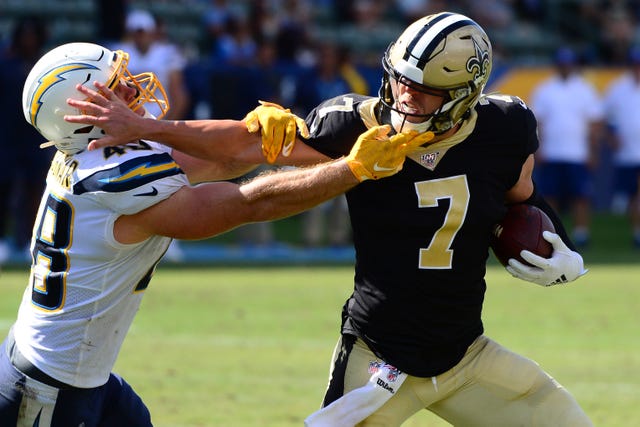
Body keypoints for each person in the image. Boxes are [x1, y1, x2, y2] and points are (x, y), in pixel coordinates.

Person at [66, 13, 593, 426]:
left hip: (467, 354)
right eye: (400, 78)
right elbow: (241, 145)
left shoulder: (505, 126)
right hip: (379, 363)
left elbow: (525, 197)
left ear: (465, 93)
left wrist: (558, 244)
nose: (406, 94)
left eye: (425, 88)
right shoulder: (357, 125)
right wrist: (146, 128)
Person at [0, 41, 429, 426]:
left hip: (70, 371)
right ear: (82, 117)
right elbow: (248, 204)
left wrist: (256, 130)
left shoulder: (106, 149)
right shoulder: (111, 176)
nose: (133, 87)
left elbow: (221, 160)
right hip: (50, 385)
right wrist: (351, 169)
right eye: (117, 86)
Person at [530, 46, 604, 248]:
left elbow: (594, 124)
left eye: (568, 64)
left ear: (573, 66)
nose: (565, 67)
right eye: (562, 64)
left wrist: (592, 151)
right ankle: (553, 232)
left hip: (577, 153)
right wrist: (539, 148)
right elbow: (538, 122)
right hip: (552, 152)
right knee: (550, 195)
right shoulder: (545, 89)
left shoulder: (584, 89)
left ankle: (581, 234)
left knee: (580, 196)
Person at [0, 16, 53, 264]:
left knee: (35, 192)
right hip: (6, 137)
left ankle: (29, 241)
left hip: (35, 137)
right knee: (4, 189)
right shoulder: (5, 63)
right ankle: (2, 240)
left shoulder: (45, 66)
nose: (28, 40)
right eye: (25, 35)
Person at [603, 46, 640, 248]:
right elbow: (606, 117)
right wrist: (612, 136)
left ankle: (637, 233)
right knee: (630, 196)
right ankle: (635, 232)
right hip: (627, 153)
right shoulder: (618, 88)